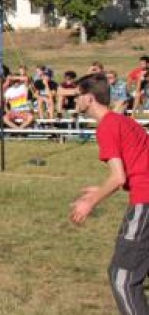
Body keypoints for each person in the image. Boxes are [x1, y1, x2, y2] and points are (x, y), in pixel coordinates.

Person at [70, 73, 149, 315]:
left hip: (145, 202)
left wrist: (90, 202)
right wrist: (103, 187)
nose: (75, 101)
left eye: (78, 96)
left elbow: (119, 177)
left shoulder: (107, 126)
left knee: (122, 278)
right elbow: (136, 166)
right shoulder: (122, 121)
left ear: (90, 98)